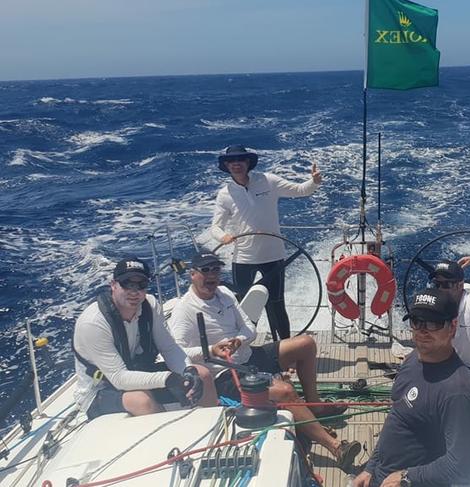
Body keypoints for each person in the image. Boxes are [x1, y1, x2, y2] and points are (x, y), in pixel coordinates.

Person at [168, 253, 360, 470]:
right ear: (192, 275)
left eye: (215, 269)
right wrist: (212, 350)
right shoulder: (184, 310)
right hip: (225, 373)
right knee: (285, 391)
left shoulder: (224, 293)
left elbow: (249, 328)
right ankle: (335, 447)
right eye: (205, 270)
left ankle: (314, 407)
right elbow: (176, 352)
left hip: (249, 355)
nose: (212, 275)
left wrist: (239, 340)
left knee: (306, 344)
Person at [353, 288, 470, 487]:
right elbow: (397, 415)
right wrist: (371, 466)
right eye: (417, 322)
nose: (422, 330)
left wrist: (406, 477)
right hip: (380, 476)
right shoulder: (412, 359)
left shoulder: (457, 391)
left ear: (452, 327)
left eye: (433, 323)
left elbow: (463, 467)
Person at [73, 257, 218, 420]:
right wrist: (168, 379)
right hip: (100, 389)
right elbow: (119, 378)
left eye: (141, 285)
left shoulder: (150, 304)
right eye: (127, 284)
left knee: (202, 375)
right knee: (141, 400)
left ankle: (212, 430)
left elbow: (169, 348)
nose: (134, 292)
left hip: (137, 371)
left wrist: (187, 371)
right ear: (113, 285)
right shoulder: (93, 323)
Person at [209, 144, 322, 341]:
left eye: (241, 160)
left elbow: (300, 190)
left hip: (273, 255)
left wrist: (313, 182)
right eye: (232, 161)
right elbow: (215, 227)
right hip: (243, 259)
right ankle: (245, 350)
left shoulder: (268, 181)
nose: (236, 164)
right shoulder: (224, 194)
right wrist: (223, 237)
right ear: (226, 165)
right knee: (245, 307)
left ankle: (285, 348)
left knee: (277, 304)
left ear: (248, 162)